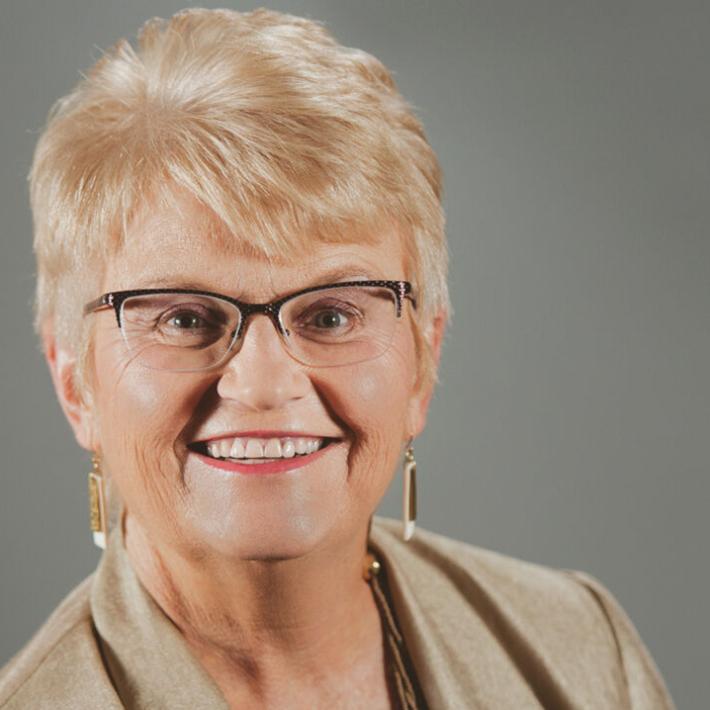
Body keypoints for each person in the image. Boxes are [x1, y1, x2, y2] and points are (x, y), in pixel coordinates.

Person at [0, 8, 674, 709]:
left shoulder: (582, 651)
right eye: (183, 318)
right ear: (75, 379)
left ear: (423, 357)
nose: (262, 384)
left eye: (330, 314)